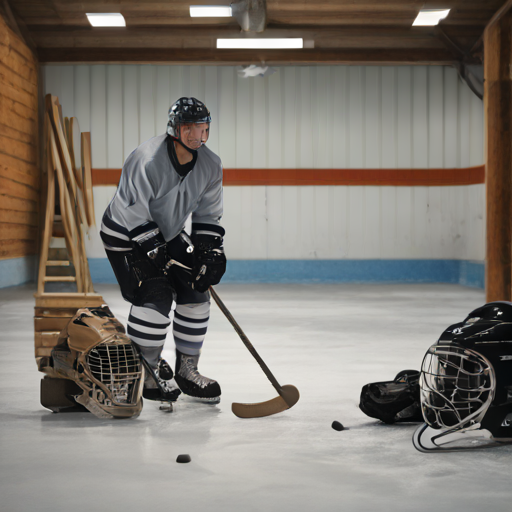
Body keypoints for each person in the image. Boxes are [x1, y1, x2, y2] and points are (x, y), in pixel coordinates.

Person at [99, 97, 226, 405]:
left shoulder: (211, 164)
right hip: (125, 234)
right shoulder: (146, 159)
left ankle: (187, 370)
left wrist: (209, 252)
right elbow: (132, 211)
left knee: (197, 289)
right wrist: (152, 249)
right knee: (155, 294)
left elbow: (208, 215)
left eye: (203, 129)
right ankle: (146, 371)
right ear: (174, 130)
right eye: (189, 129)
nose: (197, 136)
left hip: (168, 233)